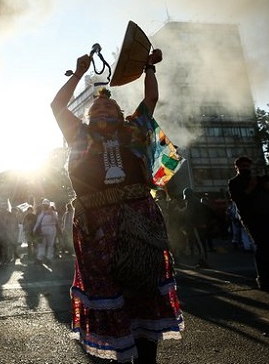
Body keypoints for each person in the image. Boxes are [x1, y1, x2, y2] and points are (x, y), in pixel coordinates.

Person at [51, 48, 183, 363]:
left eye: (110, 103)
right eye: (98, 104)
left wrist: (148, 67)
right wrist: (80, 72)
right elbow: (57, 105)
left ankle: (147, 355)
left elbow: (151, 99)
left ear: (120, 112)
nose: (104, 104)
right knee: (110, 290)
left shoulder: (133, 130)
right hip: (97, 226)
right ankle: (123, 353)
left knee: (144, 285)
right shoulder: (79, 135)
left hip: (139, 217)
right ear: (88, 115)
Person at [227, 156, 269, 292]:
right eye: (242, 166)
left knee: (268, 246)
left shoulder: (258, 179)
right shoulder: (234, 182)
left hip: (265, 215)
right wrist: (250, 187)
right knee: (261, 246)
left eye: (247, 166)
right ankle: (263, 280)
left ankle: (267, 278)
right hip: (250, 218)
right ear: (237, 168)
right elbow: (238, 200)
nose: (245, 168)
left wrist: (266, 187)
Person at [33, 199, 59, 264]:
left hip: (50, 229)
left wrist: (34, 230)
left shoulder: (52, 213)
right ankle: (41, 258)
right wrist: (35, 229)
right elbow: (38, 222)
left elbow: (56, 221)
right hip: (46, 230)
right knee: (43, 244)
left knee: (49, 245)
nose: (44, 206)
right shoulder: (43, 213)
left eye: (45, 205)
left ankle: (47, 258)